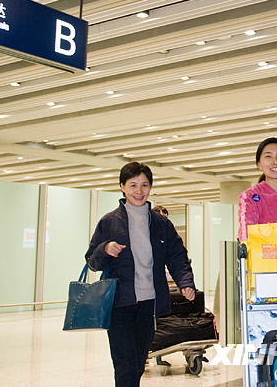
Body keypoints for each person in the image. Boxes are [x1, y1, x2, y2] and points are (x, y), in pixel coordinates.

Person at [85, 162, 196, 387]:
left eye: (145, 185)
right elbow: (92, 262)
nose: (139, 191)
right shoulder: (109, 222)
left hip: (148, 303)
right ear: (122, 187)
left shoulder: (161, 223)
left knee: (137, 362)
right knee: (124, 363)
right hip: (119, 302)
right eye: (133, 185)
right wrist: (105, 248)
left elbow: (177, 255)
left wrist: (185, 282)